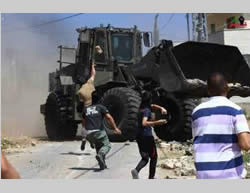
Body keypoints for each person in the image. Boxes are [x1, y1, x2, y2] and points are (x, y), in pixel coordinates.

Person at [192, 72, 250, 179]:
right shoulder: (235, 110)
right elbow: (246, 145)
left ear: (208, 90)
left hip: (203, 174)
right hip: (229, 174)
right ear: (227, 88)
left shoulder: (196, 112)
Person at [131, 91, 167, 179]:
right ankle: (151, 177)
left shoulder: (141, 108)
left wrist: (161, 108)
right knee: (154, 157)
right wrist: (157, 122)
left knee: (145, 158)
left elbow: (153, 106)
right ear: (149, 100)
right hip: (147, 136)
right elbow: (144, 123)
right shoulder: (147, 111)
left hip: (139, 136)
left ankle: (136, 170)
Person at [82, 91, 122, 170]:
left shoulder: (86, 109)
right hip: (98, 132)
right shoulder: (101, 107)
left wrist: (88, 137)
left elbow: (83, 123)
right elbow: (109, 118)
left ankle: (102, 164)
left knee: (98, 145)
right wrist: (115, 128)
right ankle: (101, 155)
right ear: (100, 99)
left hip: (88, 134)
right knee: (107, 145)